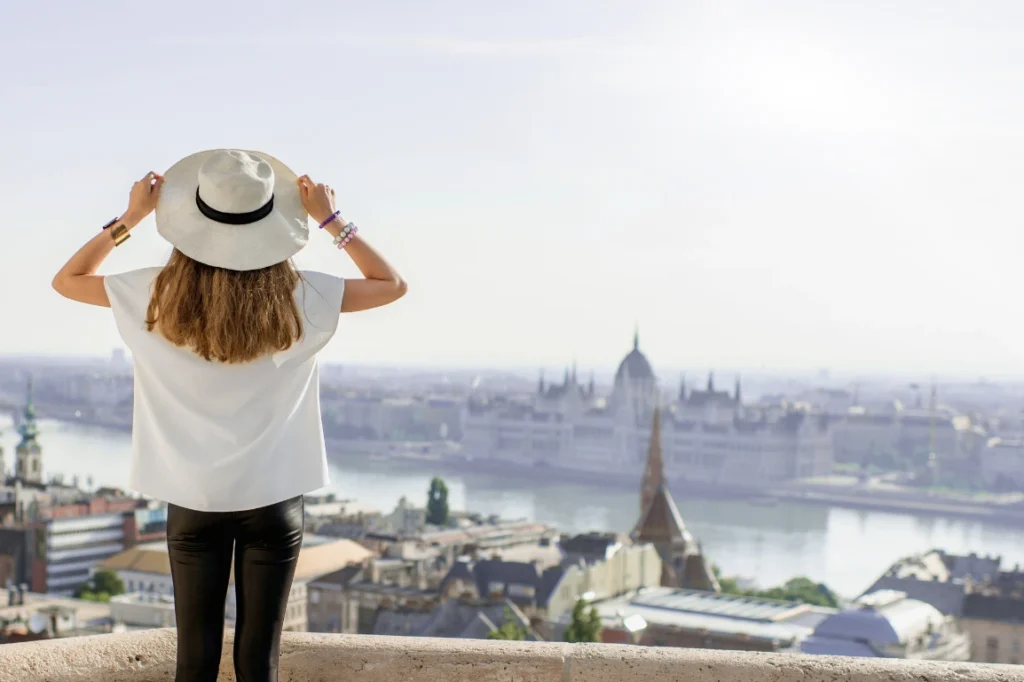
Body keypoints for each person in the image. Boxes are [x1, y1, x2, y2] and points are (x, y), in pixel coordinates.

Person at [51, 149, 407, 682]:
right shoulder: (300, 296)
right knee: (258, 660)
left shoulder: (154, 295)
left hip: (194, 499)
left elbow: (68, 278)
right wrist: (332, 221)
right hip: (275, 499)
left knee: (193, 661)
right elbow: (392, 284)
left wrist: (131, 218)